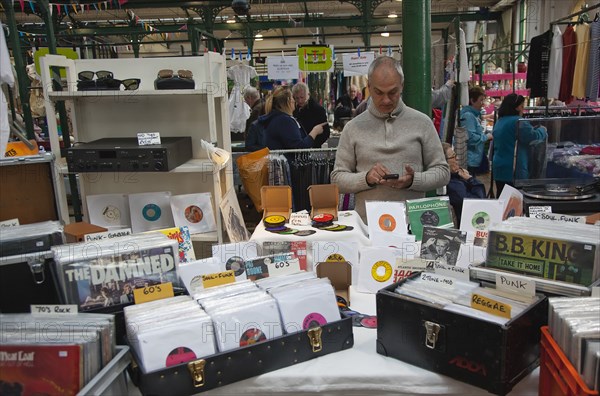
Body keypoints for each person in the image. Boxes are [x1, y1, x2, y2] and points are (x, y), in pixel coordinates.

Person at [330, 56, 450, 223]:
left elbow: (443, 172)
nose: (386, 100)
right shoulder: (353, 128)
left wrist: (413, 181)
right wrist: (366, 178)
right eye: (379, 92)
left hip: (413, 226)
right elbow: (337, 179)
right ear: (369, 87)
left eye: (392, 92)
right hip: (367, 228)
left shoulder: (422, 123)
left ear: (402, 86)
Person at [492, 93, 548, 195]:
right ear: (517, 107)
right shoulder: (517, 121)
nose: (523, 109)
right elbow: (532, 137)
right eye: (522, 106)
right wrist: (542, 130)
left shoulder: (500, 121)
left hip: (499, 167)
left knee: (502, 200)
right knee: (515, 202)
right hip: (513, 169)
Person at [257, 86, 327, 150]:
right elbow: (299, 147)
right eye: (292, 98)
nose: (294, 101)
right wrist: (314, 132)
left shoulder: (276, 118)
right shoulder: (285, 121)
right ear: (287, 101)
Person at [442, 142, 486, 224]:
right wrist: (470, 179)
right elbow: (479, 202)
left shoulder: (455, 177)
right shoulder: (454, 185)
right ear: (445, 162)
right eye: (453, 156)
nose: (457, 158)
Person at [460, 86, 493, 175]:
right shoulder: (468, 116)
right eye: (481, 100)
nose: (483, 103)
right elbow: (471, 138)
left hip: (473, 158)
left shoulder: (473, 115)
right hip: (470, 160)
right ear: (472, 100)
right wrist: (486, 137)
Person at [292, 82, 330, 148]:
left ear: (308, 95)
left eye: (302, 97)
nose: (300, 101)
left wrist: (312, 144)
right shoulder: (293, 109)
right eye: (297, 98)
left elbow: (326, 133)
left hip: (312, 149)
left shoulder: (318, 109)